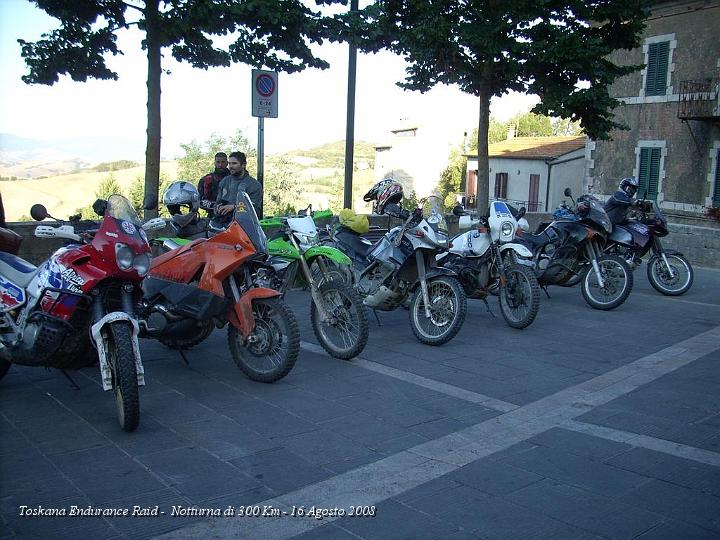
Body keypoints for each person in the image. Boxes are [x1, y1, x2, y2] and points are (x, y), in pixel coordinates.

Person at [215, 151, 263, 218]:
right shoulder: (224, 182)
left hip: (244, 224)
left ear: (243, 165)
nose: (231, 166)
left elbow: (255, 209)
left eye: (234, 163)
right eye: (229, 163)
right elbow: (217, 203)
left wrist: (234, 207)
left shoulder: (254, 185)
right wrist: (218, 208)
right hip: (222, 223)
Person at [197, 152, 229, 218]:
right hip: (213, 216)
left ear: (227, 163)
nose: (220, 165)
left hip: (233, 215)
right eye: (218, 162)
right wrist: (215, 206)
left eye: (223, 162)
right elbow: (200, 200)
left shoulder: (235, 179)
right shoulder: (206, 179)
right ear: (214, 163)